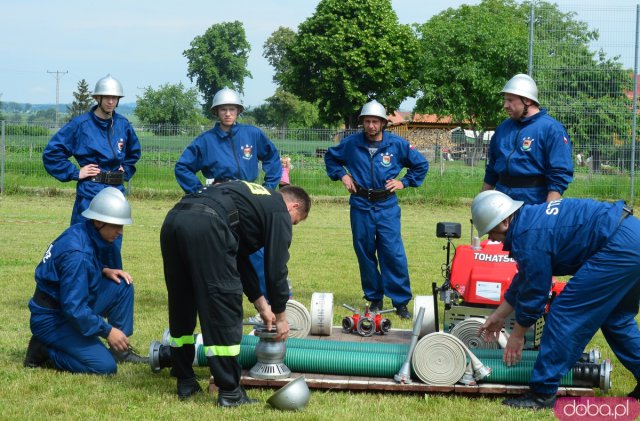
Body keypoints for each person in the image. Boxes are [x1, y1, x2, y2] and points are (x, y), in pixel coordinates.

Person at [472, 190, 640, 409]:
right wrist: (498, 315)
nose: (491, 239)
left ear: (504, 221)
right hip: (631, 236)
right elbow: (526, 277)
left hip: (617, 247)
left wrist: (518, 334)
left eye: (491, 233)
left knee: (564, 313)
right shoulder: (527, 221)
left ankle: (542, 393)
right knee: (616, 318)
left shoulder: (528, 236)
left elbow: (535, 292)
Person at [159, 181, 311, 405]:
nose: (291, 226)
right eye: (295, 222)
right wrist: (281, 316)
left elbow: (238, 258)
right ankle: (230, 392)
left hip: (175, 219)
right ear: (294, 207)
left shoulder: (254, 199)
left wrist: (262, 305)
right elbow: (276, 268)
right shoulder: (279, 210)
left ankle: (185, 381)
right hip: (208, 224)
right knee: (223, 307)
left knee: (182, 302)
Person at [24, 187, 147, 375]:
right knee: (104, 367)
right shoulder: (77, 255)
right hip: (53, 318)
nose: (120, 232)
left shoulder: (84, 231)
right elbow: (74, 308)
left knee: (122, 286)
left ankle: (119, 350)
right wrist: (107, 331)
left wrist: (103, 270)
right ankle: (45, 349)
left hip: (65, 307)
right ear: (98, 221)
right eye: (116, 225)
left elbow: (72, 274)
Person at [324, 99, 429, 319]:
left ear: (383, 123)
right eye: (367, 121)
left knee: (392, 252)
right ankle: (374, 298)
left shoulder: (397, 145)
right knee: (365, 252)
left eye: (376, 122)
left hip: (386, 206)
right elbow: (331, 158)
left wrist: (404, 182)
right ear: (362, 122)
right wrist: (342, 175)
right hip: (361, 205)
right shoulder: (351, 144)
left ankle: (400, 302)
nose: (371, 126)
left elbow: (421, 164)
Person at [174, 87, 282, 300]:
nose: (228, 113)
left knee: (257, 248)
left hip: (250, 198)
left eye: (232, 109)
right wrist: (199, 192)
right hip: (220, 199)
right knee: (220, 248)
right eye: (223, 109)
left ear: (238, 111)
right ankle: (223, 298)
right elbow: (182, 167)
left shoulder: (252, 134)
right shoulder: (205, 141)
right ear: (216, 112)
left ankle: (269, 301)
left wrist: (269, 186)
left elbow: (272, 157)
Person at [42, 74, 141, 269]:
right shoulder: (81, 125)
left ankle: (108, 293)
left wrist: (126, 169)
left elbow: (133, 153)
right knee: (84, 244)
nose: (111, 101)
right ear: (98, 98)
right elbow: (51, 154)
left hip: (115, 193)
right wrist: (75, 172)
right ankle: (78, 286)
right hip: (90, 193)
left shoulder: (123, 124)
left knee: (112, 245)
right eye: (107, 97)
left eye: (115, 98)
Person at [482, 73, 573, 204]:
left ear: (527, 101)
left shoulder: (551, 129)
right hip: (502, 202)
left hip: (533, 202)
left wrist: (545, 212)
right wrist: (483, 201)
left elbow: (559, 174)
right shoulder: (503, 128)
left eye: (510, 100)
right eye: (505, 100)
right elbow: (492, 169)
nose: (505, 105)